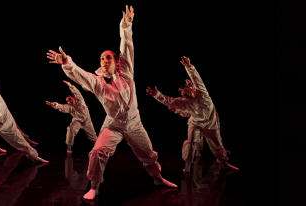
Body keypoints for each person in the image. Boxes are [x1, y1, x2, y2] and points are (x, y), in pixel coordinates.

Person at [47, 5, 177, 200]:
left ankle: (158, 179)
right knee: (98, 151)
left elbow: (127, 46)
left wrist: (126, 25)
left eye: (108, 57)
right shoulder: (97, 82)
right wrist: (67, 63)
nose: (104, 60)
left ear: (117, 62)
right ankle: (94, 187)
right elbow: (81, 76)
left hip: (134, 123)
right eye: (101, 58)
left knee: (148, 154)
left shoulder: (126, 73)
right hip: (113, 124)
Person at [146, 56, 239, 173]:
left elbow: (197, 79)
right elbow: (169, 101)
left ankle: (224, 163)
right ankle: (188, 165)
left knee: (217, 145)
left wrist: (189, 67)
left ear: (191, 90)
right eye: (186, 95)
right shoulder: (185, 103)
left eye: (188, 92)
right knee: (191, 142)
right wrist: (157, 95)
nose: (188, 95)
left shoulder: (202, 93)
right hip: (196, 124)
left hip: (211, 124)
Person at [45, 80, 97, 154]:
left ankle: (99, 147)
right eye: (67, 101)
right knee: (71, 129)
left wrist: (70, 86)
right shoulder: (69, 107)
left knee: (93, 138)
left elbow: (77, 93)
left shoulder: (81, 101)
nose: (69, 102)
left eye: (70, 99)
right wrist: (53, 105)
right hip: (77, 121)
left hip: (87, 122)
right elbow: (62, 107)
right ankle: (69, 148)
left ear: (74, 98)